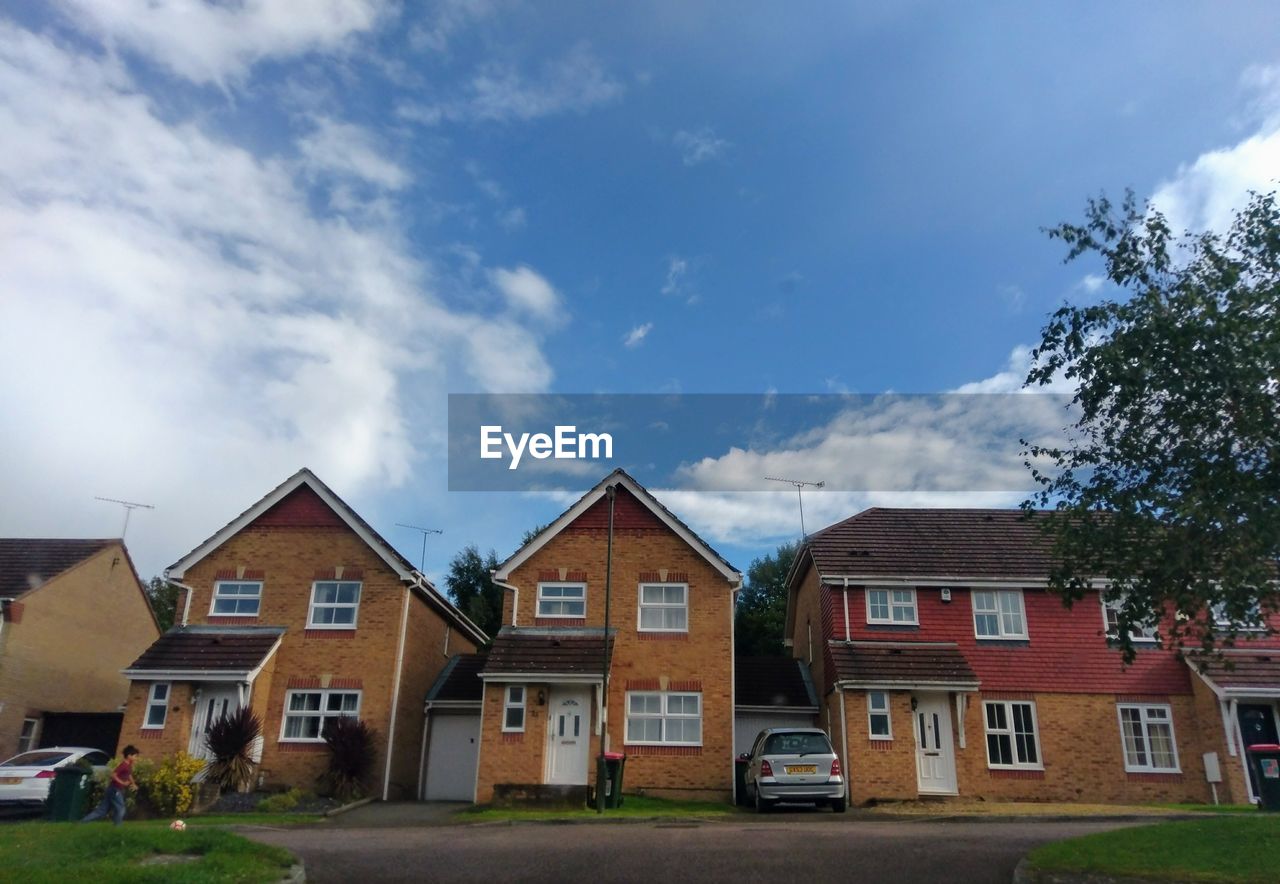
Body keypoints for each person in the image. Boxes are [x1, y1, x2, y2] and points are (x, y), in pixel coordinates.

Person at [81, 745, 139, 825]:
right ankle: (117, 827)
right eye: (135, 756)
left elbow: (129, 775)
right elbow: (113, 775)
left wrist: (134, 784)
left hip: (114, 789)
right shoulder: (123, 765)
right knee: (121, 809)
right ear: (129, 756)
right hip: (115, 789)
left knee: (102, 811)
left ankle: (82, 822)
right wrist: (123, 783)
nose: (136, 758)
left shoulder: (128, 765)